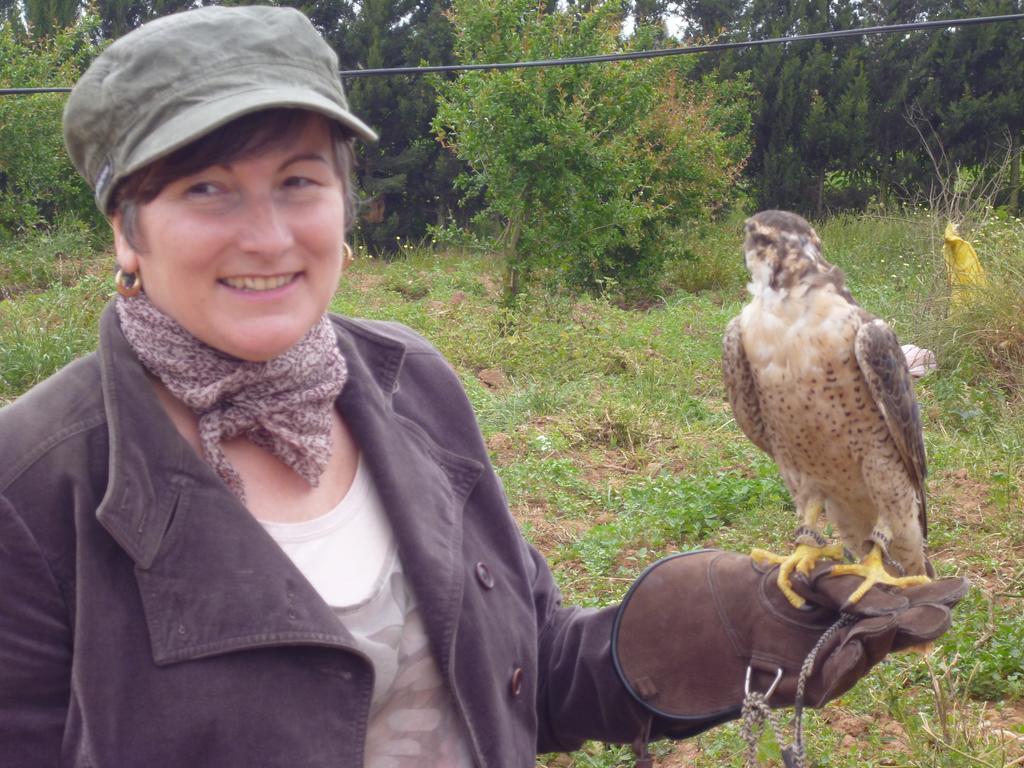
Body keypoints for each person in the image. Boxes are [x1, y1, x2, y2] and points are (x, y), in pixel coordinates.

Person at [0, 6, 966, 767]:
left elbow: (525, 674)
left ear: (345, 207)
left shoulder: (409, 384)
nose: (267, 235)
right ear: (127, 230)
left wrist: (720, 630)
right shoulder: (34, 487)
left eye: (299, 181)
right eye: (206, 189)